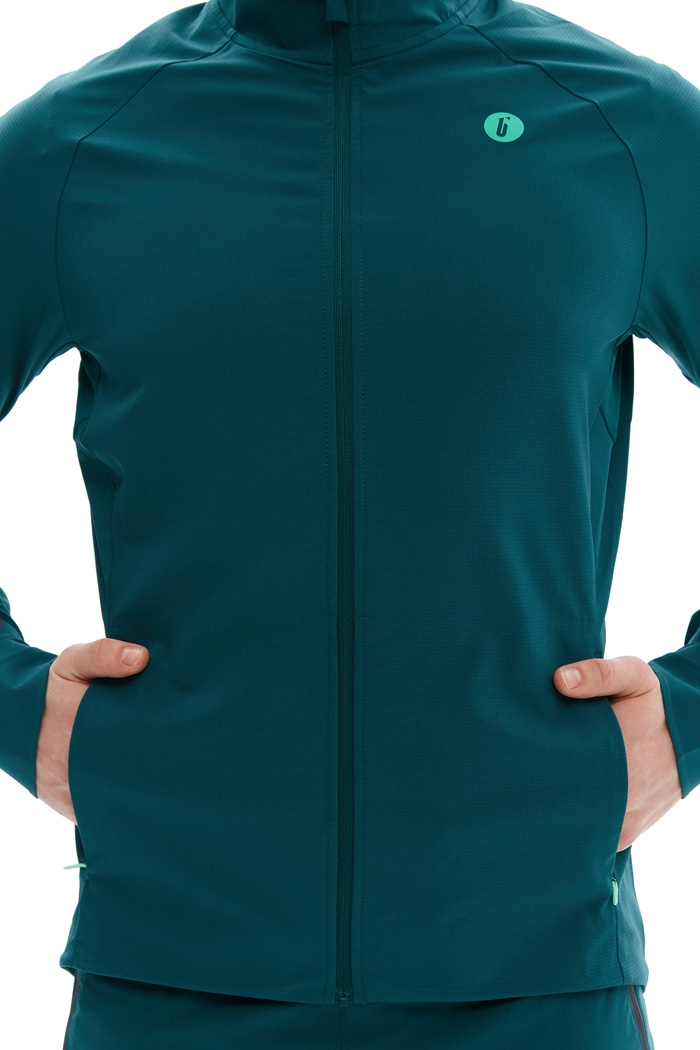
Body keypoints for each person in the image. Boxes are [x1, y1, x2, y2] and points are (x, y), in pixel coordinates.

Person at [0, 0, 697, 1046]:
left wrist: (686, 720)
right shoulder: (78, 144)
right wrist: (19, 712)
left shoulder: (622, 124)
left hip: (534, 974)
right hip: (172, 971)